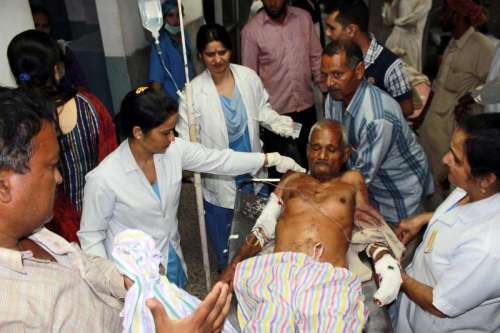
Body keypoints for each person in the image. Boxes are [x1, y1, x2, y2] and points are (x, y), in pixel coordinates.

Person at [0, 87, 231, 333]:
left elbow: (84, 266)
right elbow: (92, 236)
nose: (58, 178)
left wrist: (124, 280)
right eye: (51, 166)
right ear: (4, 186)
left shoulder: (39, 236)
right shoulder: (13, 314)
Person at [78, 87, 303, 288]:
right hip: (132, 277)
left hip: (171, 259)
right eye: (165, 132)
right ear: (138, 133)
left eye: (173, 130)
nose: (172, 138)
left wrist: (270, 159)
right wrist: (116, 283)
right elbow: (91, 238)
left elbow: (220, 160)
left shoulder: (172, 151)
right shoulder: (104, 179)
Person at [218, 120, 403, 331]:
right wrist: (232, 267)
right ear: (307, 150)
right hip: (280, 273)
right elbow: (264, 225)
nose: (322, 155)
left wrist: (385, 263)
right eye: (316, 148)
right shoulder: (291, 179)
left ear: (345, 155)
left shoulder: (351, 181)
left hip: (328, 278)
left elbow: (368, 228)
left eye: (331, 149)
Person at [176, 23, 300, 271]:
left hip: (253, 169)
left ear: (230, 51)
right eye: (210, 54)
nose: (217, 59)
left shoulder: (247, 77)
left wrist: (278, 123)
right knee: (227, 242)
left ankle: (260, 273)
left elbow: (261, 107)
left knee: (258, 232)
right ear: (201, 56)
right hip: (219, 177)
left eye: (222, 52)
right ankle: (229, 276)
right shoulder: (193, 94)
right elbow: (187, 143)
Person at [7, 29, 117, 243]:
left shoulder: (11, 120)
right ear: (56, 69)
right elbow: (111, 160)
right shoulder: (89, 106)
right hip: (96, 219)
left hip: (40, 235)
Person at [393, 113, 500, 332]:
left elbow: (440, 304)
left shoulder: (489, 248)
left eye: (457, 159)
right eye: (451, 150)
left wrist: (395, 276)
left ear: (487, 179)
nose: (445, 159)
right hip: (414, 315)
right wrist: (426, 219)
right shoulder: (472, 189)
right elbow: (461, 219)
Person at [323, 42, 433, 225]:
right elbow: (335, 147)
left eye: (337, 74)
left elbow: (360, 177)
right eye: (325, 75)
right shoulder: (333, 99)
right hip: (372, 189)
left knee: (398, 247)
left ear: (359, 71)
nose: (328, 83)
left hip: (400, 195)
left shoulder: (376, 117)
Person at [418, 0, 495, 204]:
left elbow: (493, 84)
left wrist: (469, 98)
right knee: (428, 178)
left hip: (452, 127)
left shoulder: (483, 46)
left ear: (460, 16)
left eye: (447, 12)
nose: (442, 16)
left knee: (453, 180)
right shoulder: (452, 43)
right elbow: (436, 86)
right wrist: (422, 118)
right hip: (432, 127)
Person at [241, 0, 323, 166]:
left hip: (305, 107)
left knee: (313, 160)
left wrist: (326, 90)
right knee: (278, 168)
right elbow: (248, 77)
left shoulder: (304, 19)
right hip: (274, 115)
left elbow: (316, 57)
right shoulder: (251, 31)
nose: (272, 2)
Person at [324, 0, 414, 118]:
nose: (327, 33)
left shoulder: (389, 65)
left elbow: (407, 109)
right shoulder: (337, 57)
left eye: (332, 28)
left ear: (351, 30)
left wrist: (371, 115)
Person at [30, 5, 87, 90]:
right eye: (36, 25)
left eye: (45, 26)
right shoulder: (27, 53)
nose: (40, 30)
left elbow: (79, 82)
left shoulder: (61, 49)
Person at [149, 0, 194, 102]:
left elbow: (190, 64)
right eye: (171, 15)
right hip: (173, 98)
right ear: (164, 19)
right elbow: (156, 82)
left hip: (190, 93)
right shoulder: (159, 43)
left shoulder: (184, 35)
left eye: (179, 15)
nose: (176, 19)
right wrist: (164, 107)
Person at [382, 0, 432, 72]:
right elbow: (388, 21)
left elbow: (414, 19)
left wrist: (396, 22)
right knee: (385, 73)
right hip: (394, 39)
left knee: (408, 77)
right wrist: (388, 4)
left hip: (410, 43)